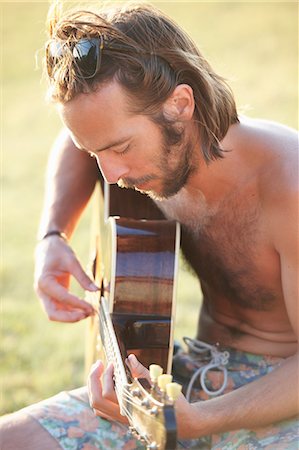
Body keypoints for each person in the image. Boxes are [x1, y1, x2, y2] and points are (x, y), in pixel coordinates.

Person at [0, 2, 298, 449]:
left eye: (120, 147)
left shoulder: (287, 184)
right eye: (96, 150)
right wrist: (53, 236)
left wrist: (194, 422)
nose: (110, 174)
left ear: (179, 105)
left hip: (277, 400)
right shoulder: (139, 151)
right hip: (182, 379)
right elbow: (79, 139)